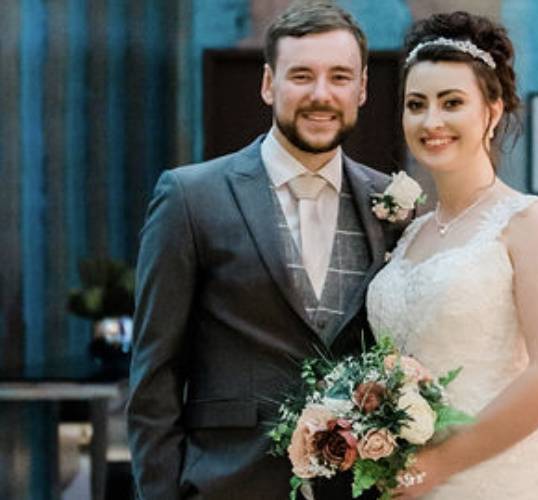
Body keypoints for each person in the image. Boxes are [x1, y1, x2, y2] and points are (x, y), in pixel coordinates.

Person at [126, 2, 400, 498]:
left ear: (361, 89)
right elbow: (155, 377)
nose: (321, 94)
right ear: (269, 84)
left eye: (340, 77)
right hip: (226, 483)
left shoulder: (394, 206)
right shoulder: (190, 198)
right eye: (302, 76)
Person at [367, 11, 538, 499]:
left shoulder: (529, 223)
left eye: (452, 103)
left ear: (492, 110)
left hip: (501, 476)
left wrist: (441, 464)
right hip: (410, 480)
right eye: (416, 104)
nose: (432, 121)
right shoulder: (408, 234)